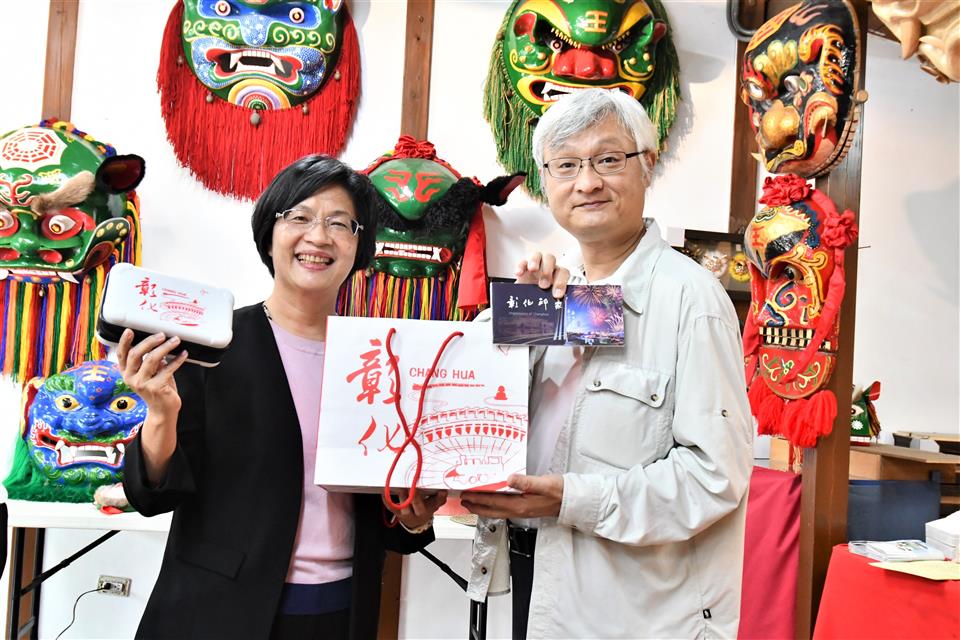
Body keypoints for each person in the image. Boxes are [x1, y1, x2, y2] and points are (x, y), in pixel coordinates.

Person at [461, 89, 754, 638]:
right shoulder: (547, 293)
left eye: (608, 159)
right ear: (546, 180)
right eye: (566, 165)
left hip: (637, 609)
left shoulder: (692, 299)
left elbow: (715, 476)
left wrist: (573, 499)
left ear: (647, 165)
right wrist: (513, 322)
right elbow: (473, 407)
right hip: (539, 572)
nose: (587, 182)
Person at [119, 155, 446, 640]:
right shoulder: (212, 344)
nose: (319, 237)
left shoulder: (385, 358)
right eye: (300, 217)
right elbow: (153, 495)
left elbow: (388, 513)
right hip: (218, 614)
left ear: (360, 246)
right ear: (268, 235)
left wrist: (412, 518)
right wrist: (161, 414)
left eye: (340, 223)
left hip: (342, 614)